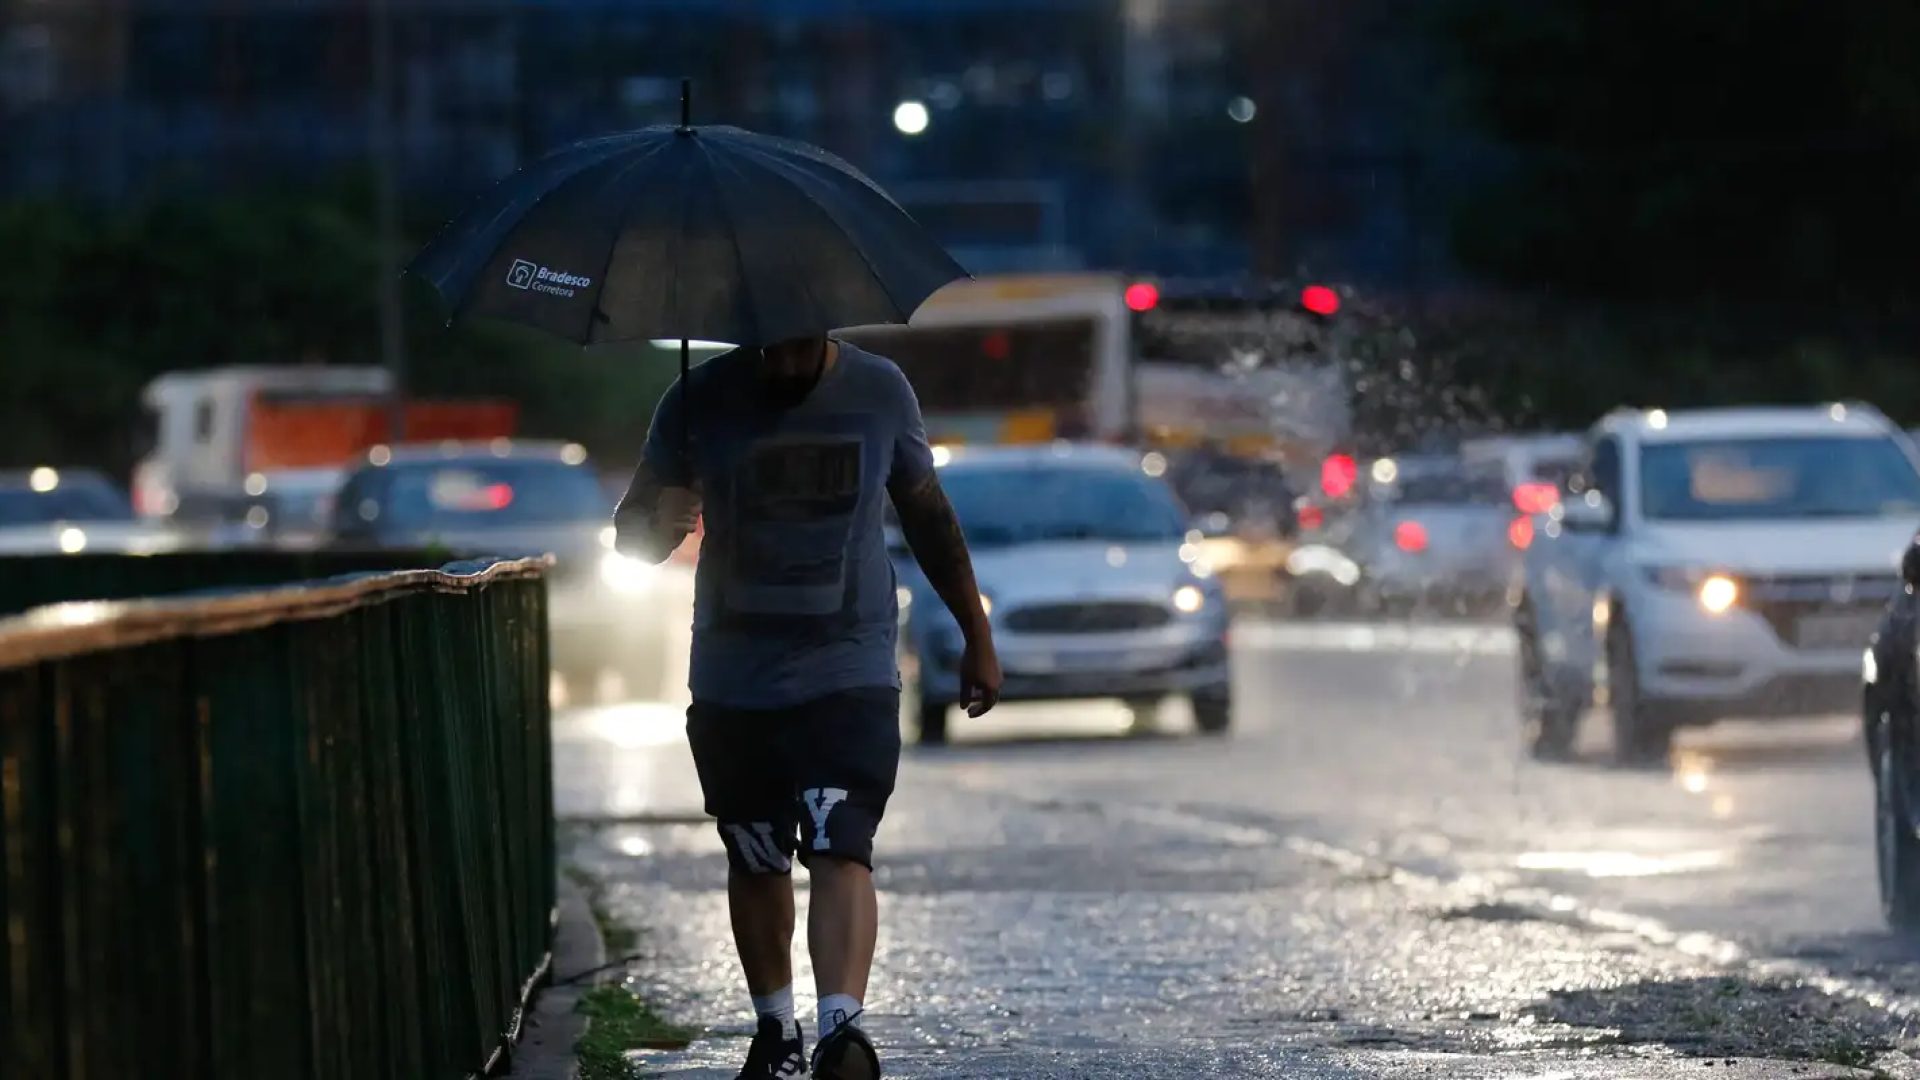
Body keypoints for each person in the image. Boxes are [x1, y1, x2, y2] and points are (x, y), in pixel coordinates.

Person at [614, 335, 1001, 1079]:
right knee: (756, 851)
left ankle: (841, 1032)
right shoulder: (695, 400)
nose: (783, 363)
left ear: (824, 325)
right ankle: (775, 1031)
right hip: (734, 676)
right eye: (768, 348)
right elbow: (630, 540)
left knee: (840, 839)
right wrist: (660, 520)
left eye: (797, 346)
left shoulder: (880, 390)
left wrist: (975, 634)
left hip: (847, 668)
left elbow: (927, 514)